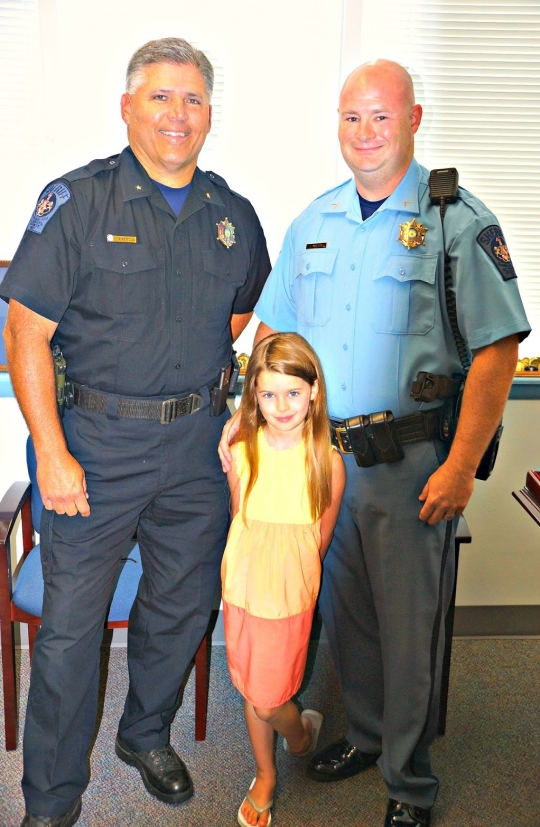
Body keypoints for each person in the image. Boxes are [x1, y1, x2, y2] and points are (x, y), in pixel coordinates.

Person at [219, 60, 531, 826]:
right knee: (350, 614)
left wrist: (460, 465)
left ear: (415, 119)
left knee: (408, 629)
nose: (365, 133)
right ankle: (363, 733)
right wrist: (245, 412)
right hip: (321, 465)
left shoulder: (456, 222)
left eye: (382, 117)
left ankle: (409, 779)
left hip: (411, 464)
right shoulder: (314, 222)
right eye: (351, 117)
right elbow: (275, 334)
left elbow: (496, 350)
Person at [1, 37, 270, 827]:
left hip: (195, 448)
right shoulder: (78, 202)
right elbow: (25, 336)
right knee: (69, 634)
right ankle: (51, 804)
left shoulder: (232, 215)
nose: (176, 115)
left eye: (191, 99)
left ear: (209, 113)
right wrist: (51, 451)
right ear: (128, 107)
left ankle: (143, 733)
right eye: (159, 97)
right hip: (95, 448)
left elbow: (237, 319)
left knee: (182, 604)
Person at [222, 332, 345, 827]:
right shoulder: (242, 450)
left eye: (293, 392)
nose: (282, 405)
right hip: (243, 593)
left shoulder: (327, 463)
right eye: (268, 394)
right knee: (253, 690)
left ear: (313, 391)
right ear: (254, 396)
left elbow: (319, 541)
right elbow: (240, 518)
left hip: (289, 600)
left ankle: (299, 737)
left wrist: (289, 585)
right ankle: (266, 772)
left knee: (268, 699)